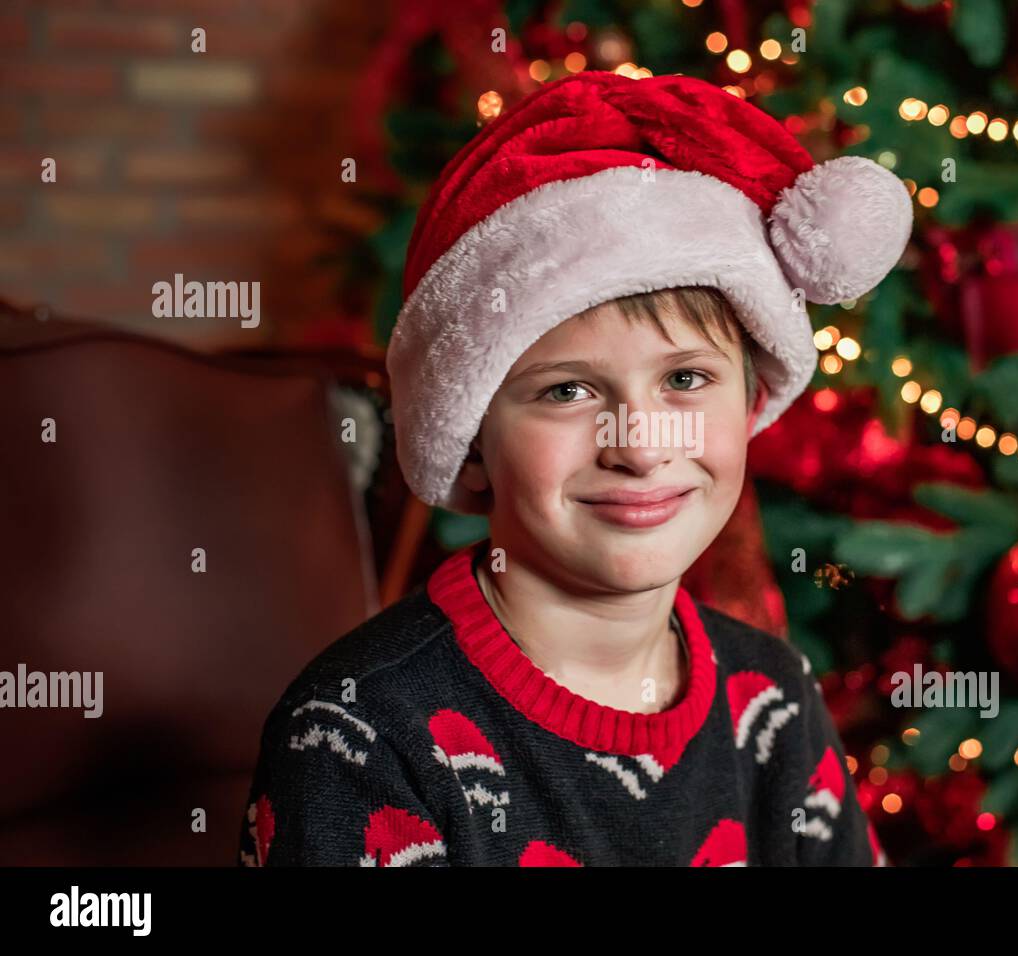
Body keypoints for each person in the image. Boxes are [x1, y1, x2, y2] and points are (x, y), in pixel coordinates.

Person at [238, 69, 910, 866]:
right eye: (567, 391)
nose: (639, 445)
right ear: (472, 441)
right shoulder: (361, 736)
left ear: (750, 400)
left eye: (685, 378)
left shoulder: (776, 700)